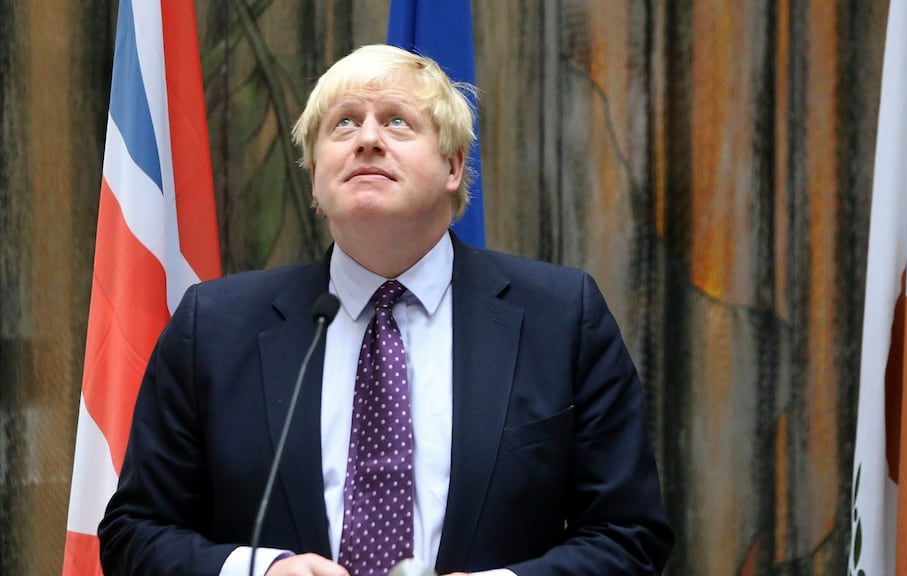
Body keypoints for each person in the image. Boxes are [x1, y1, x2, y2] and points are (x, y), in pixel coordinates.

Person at [98, 44, 673, 576]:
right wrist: (263, 571)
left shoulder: (560, 317)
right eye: (343, 123)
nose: (367, 139)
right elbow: (133, 534)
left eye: (397, 121)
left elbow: (630, 535)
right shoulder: (215, 326)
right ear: (316, 177)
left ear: (453, 167)